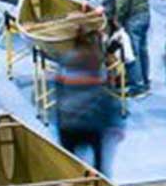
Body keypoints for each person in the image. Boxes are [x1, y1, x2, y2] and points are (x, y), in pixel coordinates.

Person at [51, 38, 119, 175]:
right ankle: (100, 185)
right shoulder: (94, 65)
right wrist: (114, 123)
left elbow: (58, 96)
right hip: (92, 123)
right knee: (99, 167)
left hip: (68, 123)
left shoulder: (63, 67)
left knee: (69, 167)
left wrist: (58, 121)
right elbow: (105, 97)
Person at [113, 0, 153, 94]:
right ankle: (145, 79)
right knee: (143, 49)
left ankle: (137, 86)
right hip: (145, 14)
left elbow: (122, 0)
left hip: (133, 16)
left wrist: (118, 17)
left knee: (132, 52)